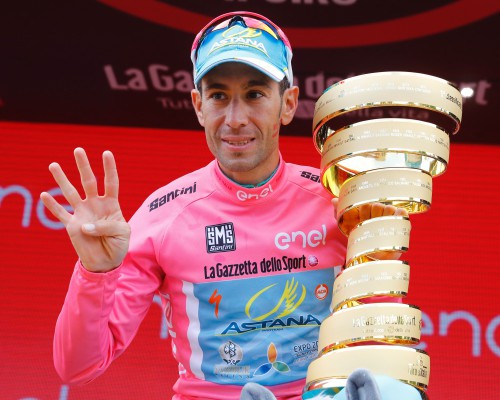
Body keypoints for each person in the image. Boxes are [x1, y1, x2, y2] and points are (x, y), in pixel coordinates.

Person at [41, 11, 407, 400]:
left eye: (254, 94)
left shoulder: (341, 202)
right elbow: (77, 367)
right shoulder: (164, 216)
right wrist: (95, 273)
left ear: (288, 104)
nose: (235, 119)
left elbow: (383, 340)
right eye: (219, 96)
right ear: (199, 105)